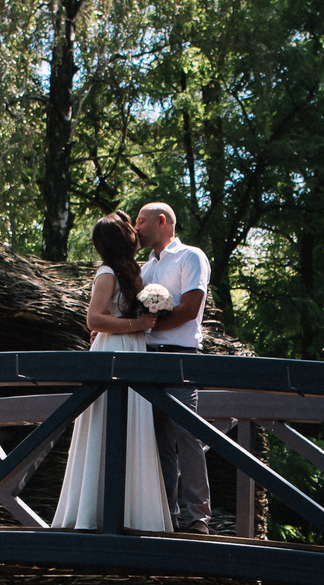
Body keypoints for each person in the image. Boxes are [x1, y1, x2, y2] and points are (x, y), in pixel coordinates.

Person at [52, 211, 173, 532]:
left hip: (132, 348)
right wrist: (139, 324)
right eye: (129, 230)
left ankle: (133, 514)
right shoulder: (106, 273)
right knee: (106, 424)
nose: (136, 232)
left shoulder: (132, 271)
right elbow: (94, 320)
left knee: (135, 426)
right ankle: (94, 512)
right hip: (114, 350)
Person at [134, 200, 212, 533]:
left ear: (162, 221)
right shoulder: (142, 269)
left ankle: (198, 519)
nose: (135, 227)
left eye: (140, 220)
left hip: (180, 357)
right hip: (147, 359)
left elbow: (190, 308)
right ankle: (168, 517)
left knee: (187, 435)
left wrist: (146, 326)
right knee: (158, 441)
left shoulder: (190, 257)